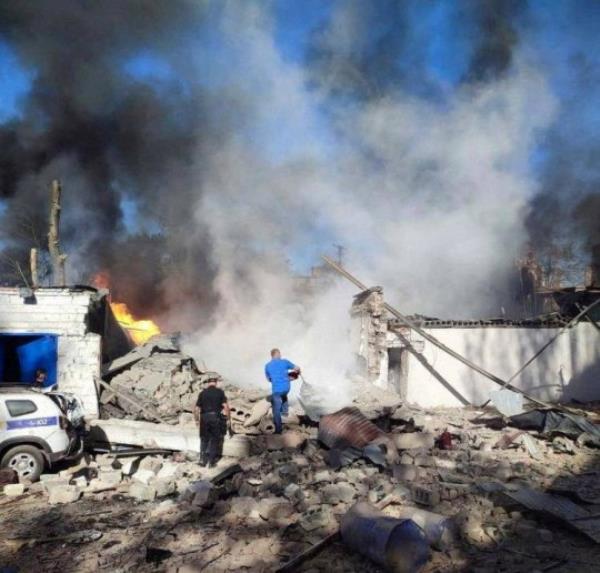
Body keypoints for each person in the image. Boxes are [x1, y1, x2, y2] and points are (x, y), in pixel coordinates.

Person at [194, 375, 230, 468]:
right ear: (216, 383)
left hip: (204, 417)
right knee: (214, 439)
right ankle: (211, 462)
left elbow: (196, 408)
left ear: (208, 383)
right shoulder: (220, 392)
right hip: (215, 417)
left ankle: (202, 460)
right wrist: (229, 419)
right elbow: (226, 407)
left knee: (204, 439)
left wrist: (197, 420)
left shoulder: (202, 393)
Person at [264, 348, 300, 434]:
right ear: (278, 354)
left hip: (277, 390)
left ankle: (278, 430)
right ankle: (285, 412)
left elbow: (269, 379)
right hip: (287, 388)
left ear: (272, 356)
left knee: (275, 409)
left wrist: (276, 378)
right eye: (280, 354)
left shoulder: (267, 365)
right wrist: (295, 373)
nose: (280, 355)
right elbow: (297, 368)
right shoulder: (285, 362)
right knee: (284, 394)